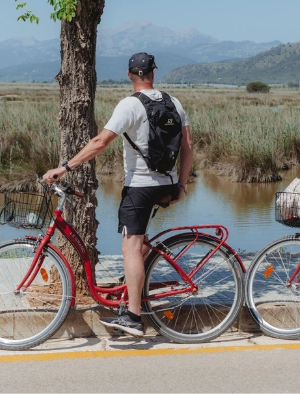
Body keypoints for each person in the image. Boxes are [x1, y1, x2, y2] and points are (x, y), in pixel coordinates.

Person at [42, 52, 193, 337]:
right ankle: (134, 286)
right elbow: (188, 146)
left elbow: (100, 142)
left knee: (130, 248)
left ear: (129, 74)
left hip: (141, 188)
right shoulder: (174, 102)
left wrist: (64, 168)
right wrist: (181, 185)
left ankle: (133, 317)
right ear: (153, 73)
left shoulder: (130, 105)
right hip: (168, 184)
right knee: (139, 243)